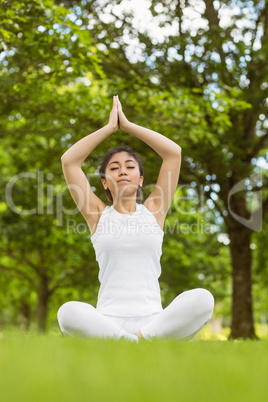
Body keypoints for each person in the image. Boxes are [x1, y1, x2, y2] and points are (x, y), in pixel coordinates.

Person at [57, 96, 214, 342]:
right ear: (104, 182)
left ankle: (139, 339)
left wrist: (127, 125)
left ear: (140, 179)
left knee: (204, 298)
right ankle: (130, 342)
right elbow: (69, 161)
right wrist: (109, 128)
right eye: (114, 167)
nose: (122, 170)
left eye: (130, 166)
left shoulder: (154, 210)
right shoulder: (97, 215)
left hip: (153, 320)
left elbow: (173, 153)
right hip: (107, 321)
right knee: (67, 312)